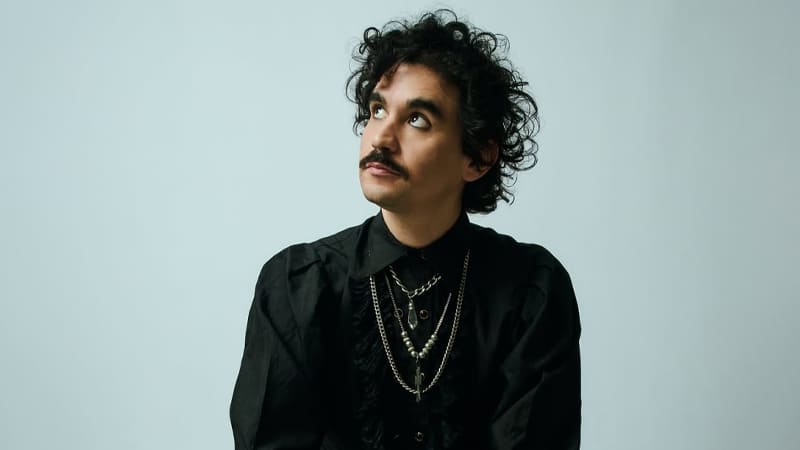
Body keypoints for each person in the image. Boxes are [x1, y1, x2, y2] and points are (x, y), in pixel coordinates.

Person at [230, 10, 581, 450]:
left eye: (417, 119)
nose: (381, 138)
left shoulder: (531, 293)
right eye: (378, 110)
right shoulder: (298, 286)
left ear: (478, 157)